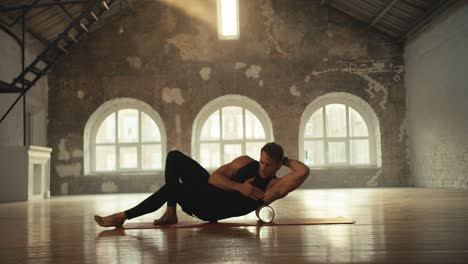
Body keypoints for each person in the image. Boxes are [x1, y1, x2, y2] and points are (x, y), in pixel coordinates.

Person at [94, 142, 310, 227]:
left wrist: (286, 160)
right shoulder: (245, 161)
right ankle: (171, 211)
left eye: (269, 165)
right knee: (175, 156)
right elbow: (214, 178)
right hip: (208, 190)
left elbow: (303, 171)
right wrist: (239, 187)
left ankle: (122, 217)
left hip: (211, 209)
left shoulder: (274, 187)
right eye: (262, 161)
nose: (262, 168)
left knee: (173, 188)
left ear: (277, 165)